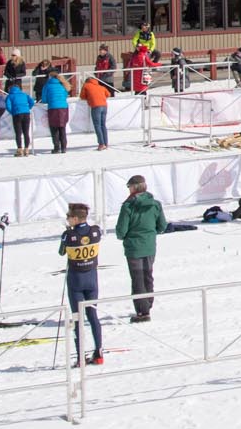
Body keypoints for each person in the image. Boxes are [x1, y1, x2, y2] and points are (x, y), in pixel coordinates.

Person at [58, 203, 105, 367]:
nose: (67, 220)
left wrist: (69, 232)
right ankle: (99, 352)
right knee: (93, 316)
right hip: (92, 279)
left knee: (78, 318)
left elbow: (61, 251)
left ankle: (80, 357)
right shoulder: (95, 231)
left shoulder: (68, 234)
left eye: (69, 217)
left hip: (76, 281)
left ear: (75, 218)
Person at [115, 175, 167, 323]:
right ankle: (148, 305)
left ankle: (142, 312)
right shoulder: (155, 204)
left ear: (134, 187)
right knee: (148, 275)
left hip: (134, 248)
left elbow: (121, 231)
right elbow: (162, 226)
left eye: (129, 187)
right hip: (150, 246)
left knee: (137, 279)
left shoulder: (128, 206)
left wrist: (126, 235)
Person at [79, 70, 113, 150]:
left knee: (97, 125)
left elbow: (82, 96)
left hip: (95, 106)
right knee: (103, 125)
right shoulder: (100, 86)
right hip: (104, 105)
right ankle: (106, 143)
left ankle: (101, 144)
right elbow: (108, 94)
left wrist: (89, 98)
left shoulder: (86, 85)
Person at [41, 68, 71, 152]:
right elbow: (65, 95)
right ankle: (64, 147)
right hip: (63, 108)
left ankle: (56, 147)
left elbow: (44, 99)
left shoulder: (47, 85)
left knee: (54, 128)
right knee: (62, 128)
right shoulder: (62, 84)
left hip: (53, 108)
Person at [6, 78, 36, 154]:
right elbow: (32, 102)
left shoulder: (10, 96)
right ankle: (26, 149)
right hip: (26, 113)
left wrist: (12, 112)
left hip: (17, 114)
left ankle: (19, 149)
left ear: (10, 89)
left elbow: (8, 106)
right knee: (26, 132)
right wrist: (27, 108)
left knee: (18, 133)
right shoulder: (24, 94)